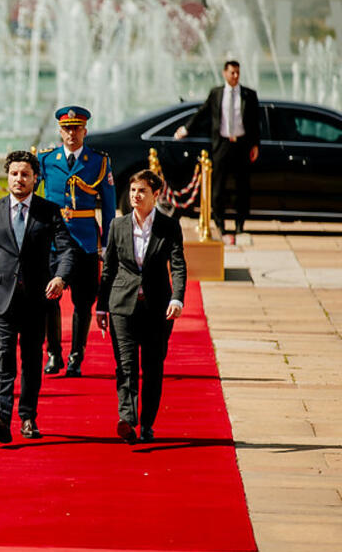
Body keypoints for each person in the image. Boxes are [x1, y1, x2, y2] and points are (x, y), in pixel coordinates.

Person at [0, 150, 76, 443]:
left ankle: (28, 417)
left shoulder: (48, 211)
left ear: (35, 179)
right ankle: (1, 417)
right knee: (3, 357)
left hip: (35, 300)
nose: (19, 179)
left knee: (31, 361)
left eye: (25, 174)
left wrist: (60, 277)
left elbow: (67, 250)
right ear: (8, 176)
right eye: (15, 173)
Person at [96, 170, 187, 443]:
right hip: (122, 305)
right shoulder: (118, 225)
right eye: (133, 190)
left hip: (158, 308)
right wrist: (101, 307)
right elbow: (108, 269)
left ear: (155, 195)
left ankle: (147, 423)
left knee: (152, 366)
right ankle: (127, 419)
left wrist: (177, 298)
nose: (136, 196)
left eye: (142, 191)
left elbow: (179, 266)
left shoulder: (169, 227)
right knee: (125, 365)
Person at [38, 106, 115, 377]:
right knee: (49, 299)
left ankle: (76, 356)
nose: (71, 133)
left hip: (84, 239)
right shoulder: (46, 160)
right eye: (67, 128)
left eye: (76, 128)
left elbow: (108, 206)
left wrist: (107, 243)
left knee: (83, 302)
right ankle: (53, 353)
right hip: (52, 241)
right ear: (59, 131)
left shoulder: (98, 161)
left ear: (85, 131)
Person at [175, 60, 259, 240]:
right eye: (232, 73)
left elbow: (255, 122)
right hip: (222, 144)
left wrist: (255, 145)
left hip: (242, 145)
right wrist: (186, 129)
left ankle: (239, 225)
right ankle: (219, 223)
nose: (235, 76)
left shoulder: (249, 95)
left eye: (238, 73)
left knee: (242, 187)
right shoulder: (216, 93)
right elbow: (203, 112)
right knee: (218, 186)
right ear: (224, 73)